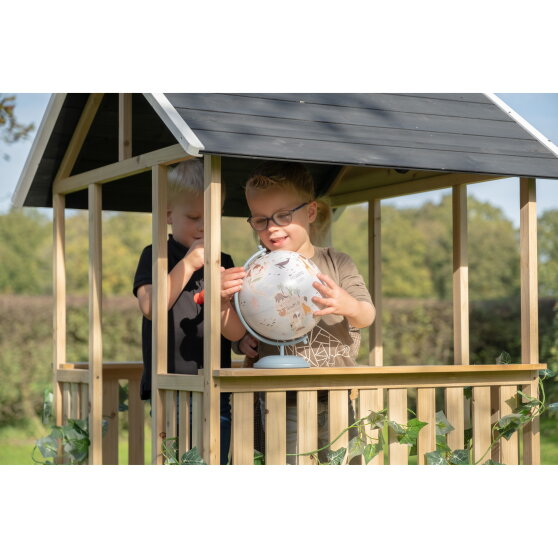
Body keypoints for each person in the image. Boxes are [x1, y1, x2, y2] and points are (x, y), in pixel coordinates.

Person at [221, 161, 376, 463]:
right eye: (260, 220)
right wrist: (222, 304)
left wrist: (350, 305)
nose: (272, 227)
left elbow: (367, 315)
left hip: (336, 397)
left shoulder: (337, 263)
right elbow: (238, 333)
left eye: (283, 215)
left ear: (311, 212)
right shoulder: (256, 272)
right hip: (282, 399)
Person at [133, 159, 242, 464]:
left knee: (215, 460)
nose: (204, 226)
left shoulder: (225, 259)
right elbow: (151, 307)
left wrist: (222, 299)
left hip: (215, 384)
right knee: (175, 459)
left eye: (212, 216)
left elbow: (234, 332)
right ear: (168, 215)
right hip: (169, 387)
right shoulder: (156, 254)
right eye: (194, 216)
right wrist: (190, 264)